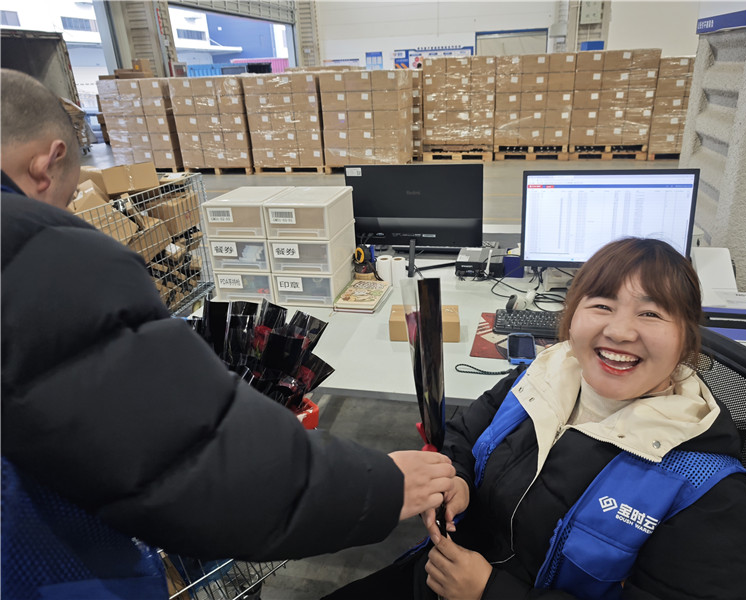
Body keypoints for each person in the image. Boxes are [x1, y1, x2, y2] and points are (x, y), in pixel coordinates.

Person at [0, 68, 455, 596]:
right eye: (67, 195)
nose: (63, 212)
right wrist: (381, 486)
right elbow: (196, 460)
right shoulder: (39, 258)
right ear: (47, 163)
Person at [324, 237, 746, 599]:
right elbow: (465, 432)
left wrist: (490, 592)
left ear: (687, 338)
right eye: (602, 305)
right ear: (572, 316)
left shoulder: (705, 488)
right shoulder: (544, 375)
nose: (619, 331)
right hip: (439, 576)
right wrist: (457, 477)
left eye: (650, 313)